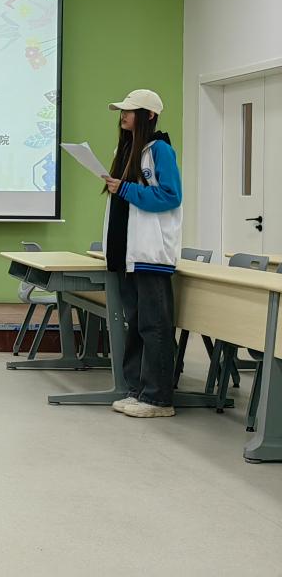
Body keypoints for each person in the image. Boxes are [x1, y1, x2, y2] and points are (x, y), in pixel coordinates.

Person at [101, 89, 182, 418]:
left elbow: (170, 196)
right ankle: (137, 391)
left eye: (130, 110)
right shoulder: (126, 149)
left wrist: (125, 188)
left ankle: (159, 399)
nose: (123, 115)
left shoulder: (159, 150)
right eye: (122, 110)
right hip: (128, 255)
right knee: (135, 325)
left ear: (149, 115)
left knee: (154, 326)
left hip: (151, 255)